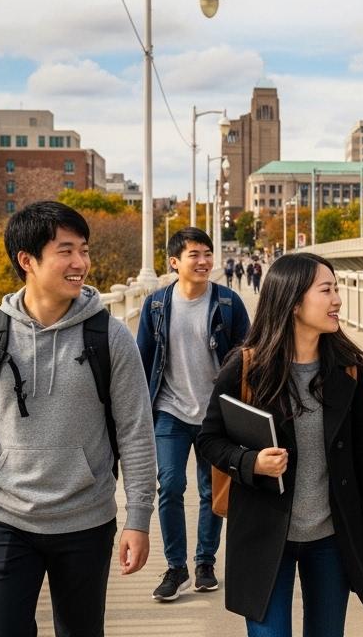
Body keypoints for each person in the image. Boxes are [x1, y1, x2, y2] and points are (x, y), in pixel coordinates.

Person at [0, 200, 157, 636]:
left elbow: (136, 431)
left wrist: (138, 518)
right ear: (27, 260)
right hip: (7, 517)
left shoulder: (109, 336)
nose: (81, 263)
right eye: (66, 251)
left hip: (86, 519)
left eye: (85, 250)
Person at [197, 252, 363, 637]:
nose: (337, 299)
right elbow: (209, 439)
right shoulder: (247, 367)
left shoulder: (349, 369)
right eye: (326, 290)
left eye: (337, 289)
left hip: (331, 538)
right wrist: (251, 462)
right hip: (263, 534)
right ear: (293, 302)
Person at [137, 227, 251, 601]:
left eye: (207, 254)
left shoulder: (229, 303)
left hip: (215, 415)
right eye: (194, 255)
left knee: (210, 490)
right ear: (174, 262)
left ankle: (205, 563)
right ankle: (176, 567)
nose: (203, 261)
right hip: (169, 410)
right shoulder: (156, 306)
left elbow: (249, 357)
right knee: (169, 485)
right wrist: (136, 414)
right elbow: (142, 361)